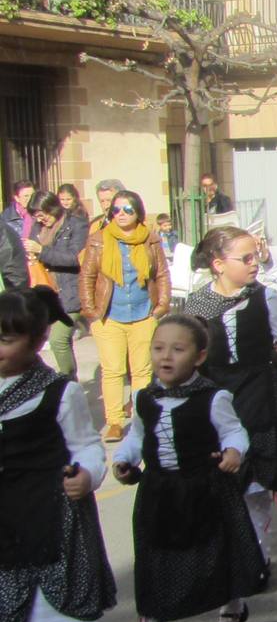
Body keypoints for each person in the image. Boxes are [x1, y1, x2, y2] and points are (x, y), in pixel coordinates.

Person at [111, 315, 266, 622]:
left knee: (216, 550)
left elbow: (235, 432)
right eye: (158, 348)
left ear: (198, 357)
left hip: (205, 488)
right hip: (159, 492)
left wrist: (233, 453)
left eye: (177, 350)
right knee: (154, 563)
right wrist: (123, 459)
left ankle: (232, 605)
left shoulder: (214, 398)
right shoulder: (145, 398)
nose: (165, 357)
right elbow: (136, 436)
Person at [0, 287, 114, 622]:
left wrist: (86, 476)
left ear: (37, 340)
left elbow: (86, 445)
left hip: (45, 517)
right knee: (26, 616)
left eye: (7, 340)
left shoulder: (59, 393)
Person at [185, 227, 277, 567]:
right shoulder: (197, 303)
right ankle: (235, 548)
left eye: (255, 255)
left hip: (260, 389)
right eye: (244, 258)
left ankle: (258, 554)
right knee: (225, 476)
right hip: (217, 395)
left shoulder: (265, 296)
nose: (253, 263)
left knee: (256, 479)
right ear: (218, 264)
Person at [79, 190, 171, 443]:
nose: (121, 214)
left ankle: (141, 417)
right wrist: (90, 311)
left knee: (141, 371)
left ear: (138, 213)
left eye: (127, 209)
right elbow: (87, 276)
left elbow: (162, 274)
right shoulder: (99, 240)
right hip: (109, 315)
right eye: (116, 210)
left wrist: (161, 307)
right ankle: (115, 422)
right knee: (113, 370)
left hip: (143, 313)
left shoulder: (150, 240)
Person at [25, 193, 87, 380]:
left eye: (42, 213)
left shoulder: (76, 224)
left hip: (70, 291)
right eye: (36, 215)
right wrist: (32, 256)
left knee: (58, 339)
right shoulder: (38, 227)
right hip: (46, 291)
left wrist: (41, 251)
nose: (40, 219)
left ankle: (67, 380)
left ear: (53, 207)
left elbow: (74, 258)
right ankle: (69, 383)